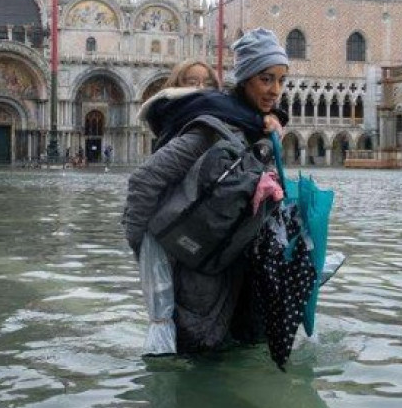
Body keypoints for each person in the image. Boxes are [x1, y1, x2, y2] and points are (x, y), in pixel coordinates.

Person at [123, 28, 289, 354]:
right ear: (244, 79)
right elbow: (144, 181)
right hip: (198, 278)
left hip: (235, 271)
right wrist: (143, 248)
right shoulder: (211, 129)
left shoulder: (256, 126)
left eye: (282, 81)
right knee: (199, 360)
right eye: (266, 79)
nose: (275, 90)